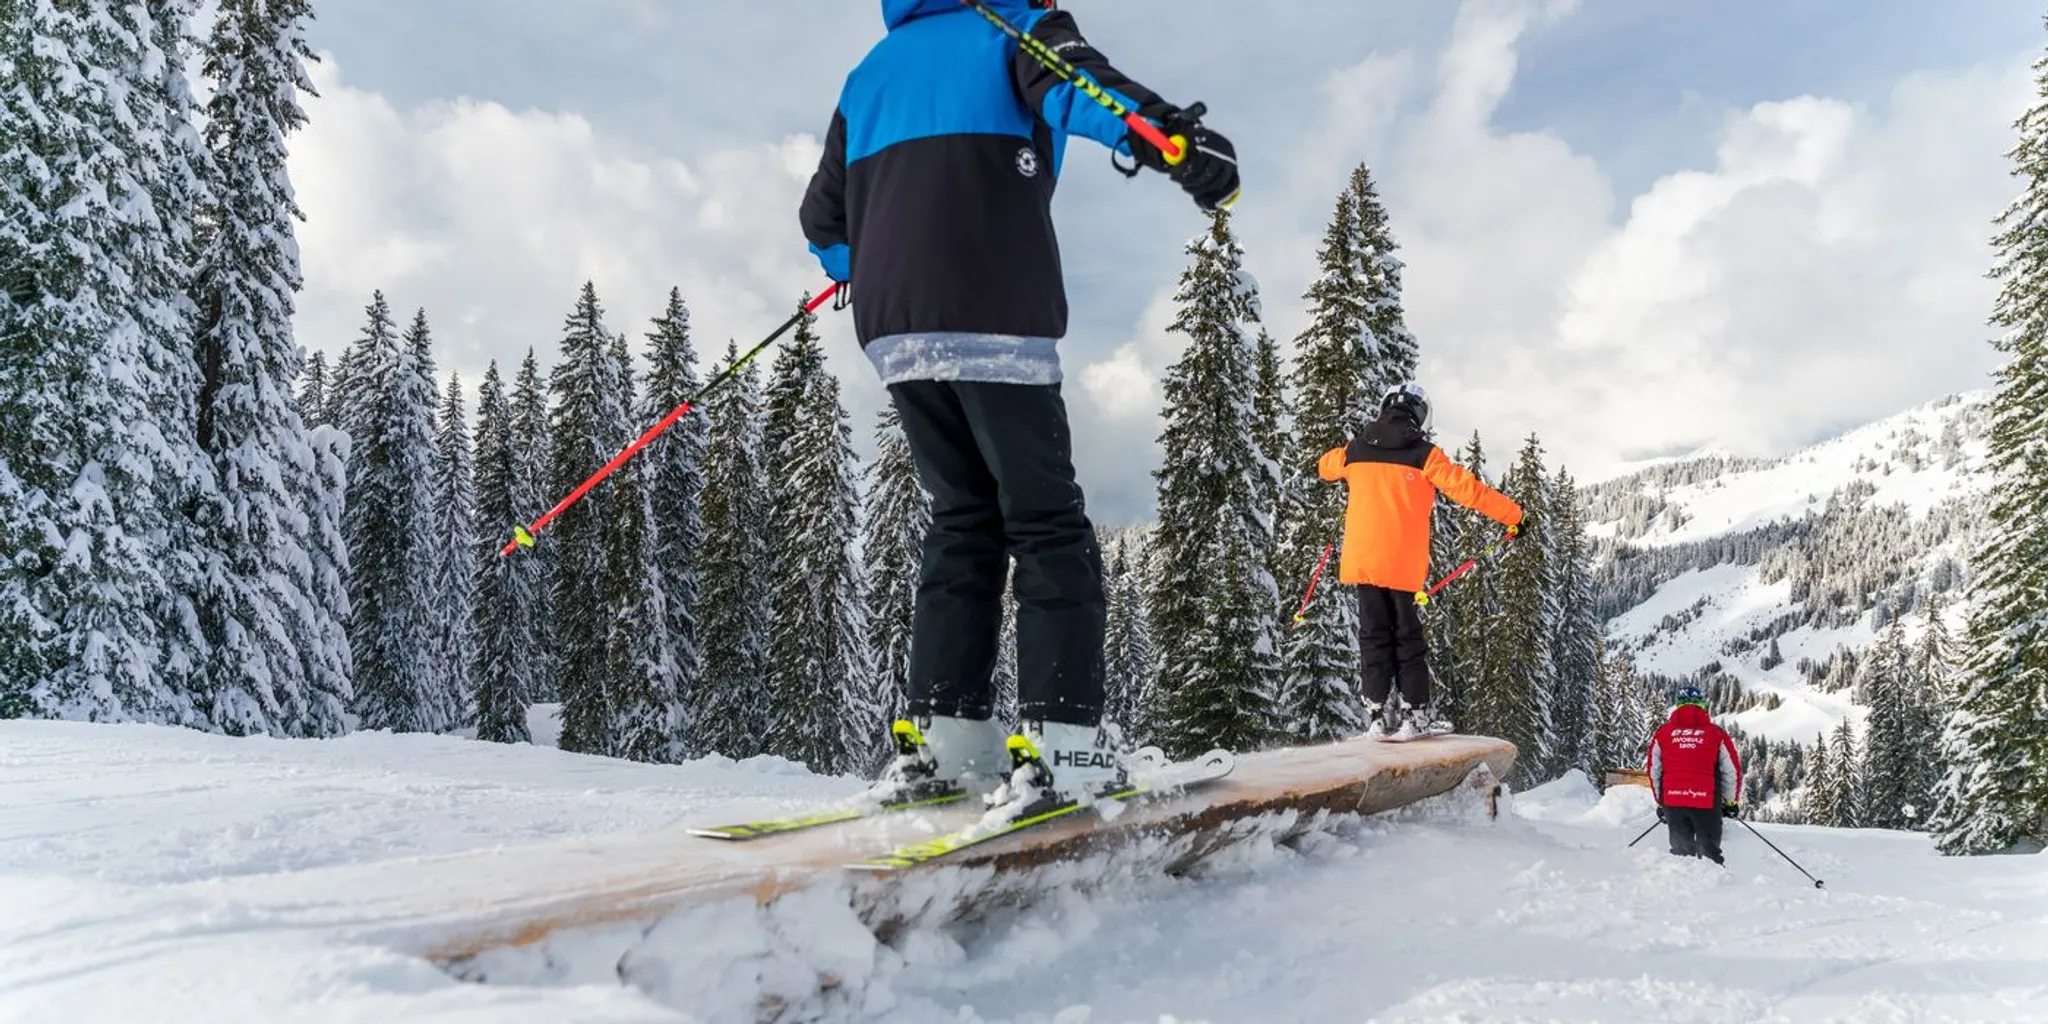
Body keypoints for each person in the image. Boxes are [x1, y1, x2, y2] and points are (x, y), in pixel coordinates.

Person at [799, 0, 1240, 809]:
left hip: (899, 330)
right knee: (1047, 524)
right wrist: (1175, 140)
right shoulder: (1010, 28)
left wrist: (873, 260)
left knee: (962, 518)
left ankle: (943, 741)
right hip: (993, 309)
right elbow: (1080, 89)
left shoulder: (870, 74)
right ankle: (1064, 744)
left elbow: (822, 219)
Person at [1315, 383, 1523, 739]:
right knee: (1407, 639)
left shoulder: (1355, 451)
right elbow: (1469, 490)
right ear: (1419, 415)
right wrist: (1514, 515)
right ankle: (1417, 716)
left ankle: (1377, 717)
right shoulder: (1425, 454)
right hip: (1402, 564)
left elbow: (1324, 467)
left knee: (1373, 637)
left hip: (1363, 562)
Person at [1647, 685, 1744, 864]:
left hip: (1673, 801)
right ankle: (1713, 887)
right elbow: (1731, 771)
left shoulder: (1662, 734)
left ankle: (1678, 889)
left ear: (1678, 706)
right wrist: (1730, 802)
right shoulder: (1716, 734)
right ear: (1702, 705)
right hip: (1705, 802)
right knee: (1709, 856)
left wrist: (1661, 802)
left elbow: (1654, 770)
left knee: (1681, 857)